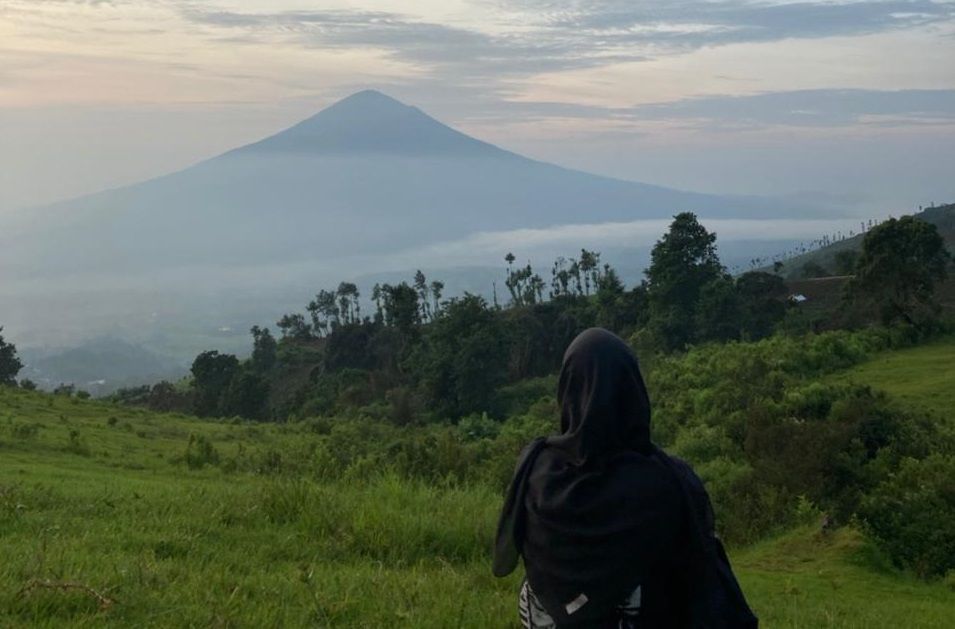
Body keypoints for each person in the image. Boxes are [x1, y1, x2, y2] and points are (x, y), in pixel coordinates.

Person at [493, 328, 757, 628]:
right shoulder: (666, 481)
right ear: (632, 391)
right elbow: (704, 578)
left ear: (568, 389)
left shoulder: (535, 470)